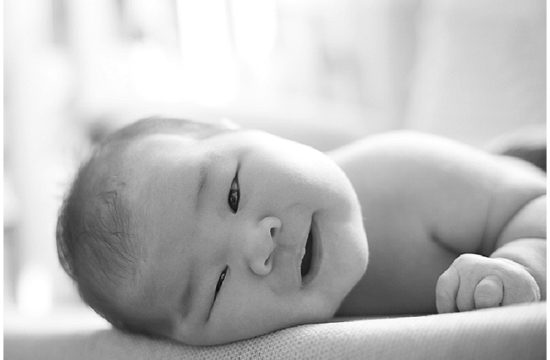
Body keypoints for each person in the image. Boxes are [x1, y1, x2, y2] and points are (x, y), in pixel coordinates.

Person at [56, 117, 546, 345]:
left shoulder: (403, 175)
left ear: (244, 130)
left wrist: (521, 260)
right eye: (217, 286)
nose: (258, 245)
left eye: (232, 193)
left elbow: (532, 200)